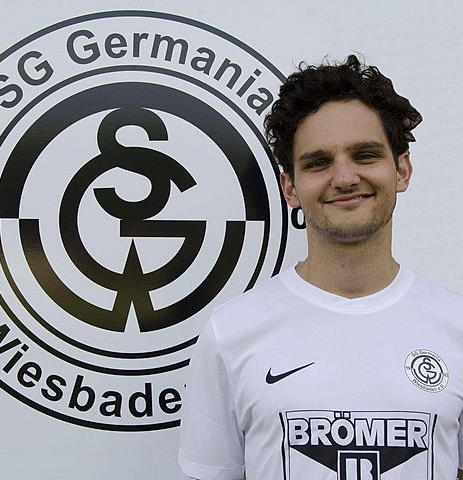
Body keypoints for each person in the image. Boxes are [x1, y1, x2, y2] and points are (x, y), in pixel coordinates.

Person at [178, 55, 463, 480]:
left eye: (365, 155)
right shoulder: (231, 333)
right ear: (290, 187)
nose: (345, 178)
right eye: (318, 163)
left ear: (401, 170)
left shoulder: (456, 326)